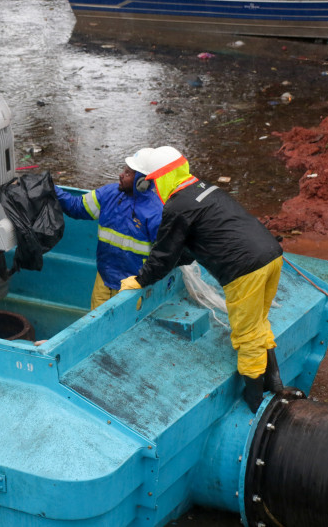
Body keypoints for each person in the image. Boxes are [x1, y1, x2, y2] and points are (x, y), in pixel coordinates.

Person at [118, 146, 284, 413]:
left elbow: (164, 253)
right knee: (258, 322)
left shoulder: (177, 206)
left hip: (244, 270)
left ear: (158, 179)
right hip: (272, 255)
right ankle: (275, 383)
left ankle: (255, 402)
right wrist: (174, 263)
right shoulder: (205, 189)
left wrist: (141, 280)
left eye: (148, 182)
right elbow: (187, 247)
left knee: (246, 335)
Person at [54, 161, 163, 310]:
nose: (121, 175)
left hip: (133, 288)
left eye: (127, 173)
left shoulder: (156, 212)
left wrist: (143, 280)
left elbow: (164, 253)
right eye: (123, 170)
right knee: (96, 320)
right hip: (104, 280)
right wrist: (51, 188)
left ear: (142, 181)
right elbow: (76, 207)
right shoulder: (109, 193)